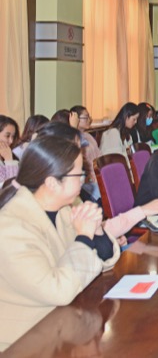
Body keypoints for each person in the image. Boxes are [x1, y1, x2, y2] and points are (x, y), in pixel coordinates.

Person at [0, 136, 120, 350]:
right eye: (78, 175)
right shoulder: (11, 228)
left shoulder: (63, 209)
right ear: (52, 183)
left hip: (65, 324)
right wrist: (84, 237)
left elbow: (104, 262)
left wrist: (97, 230)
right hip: (26, 342)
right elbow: (59, 291)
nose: (84, 180)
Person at [70, 105, 101, 201]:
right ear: (76, 119)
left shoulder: (88, 136)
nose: (89, 119)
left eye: (89, 116)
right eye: (86, 117)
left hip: (98, 173)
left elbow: (99, 156)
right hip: (86, 179)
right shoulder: (74, 139)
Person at [0, 115, 20, 184]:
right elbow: (12, 186)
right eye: (7, 136)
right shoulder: (7, 156)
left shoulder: (10, 155)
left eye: (13, 137)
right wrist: (9, 160)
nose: (11, 141)